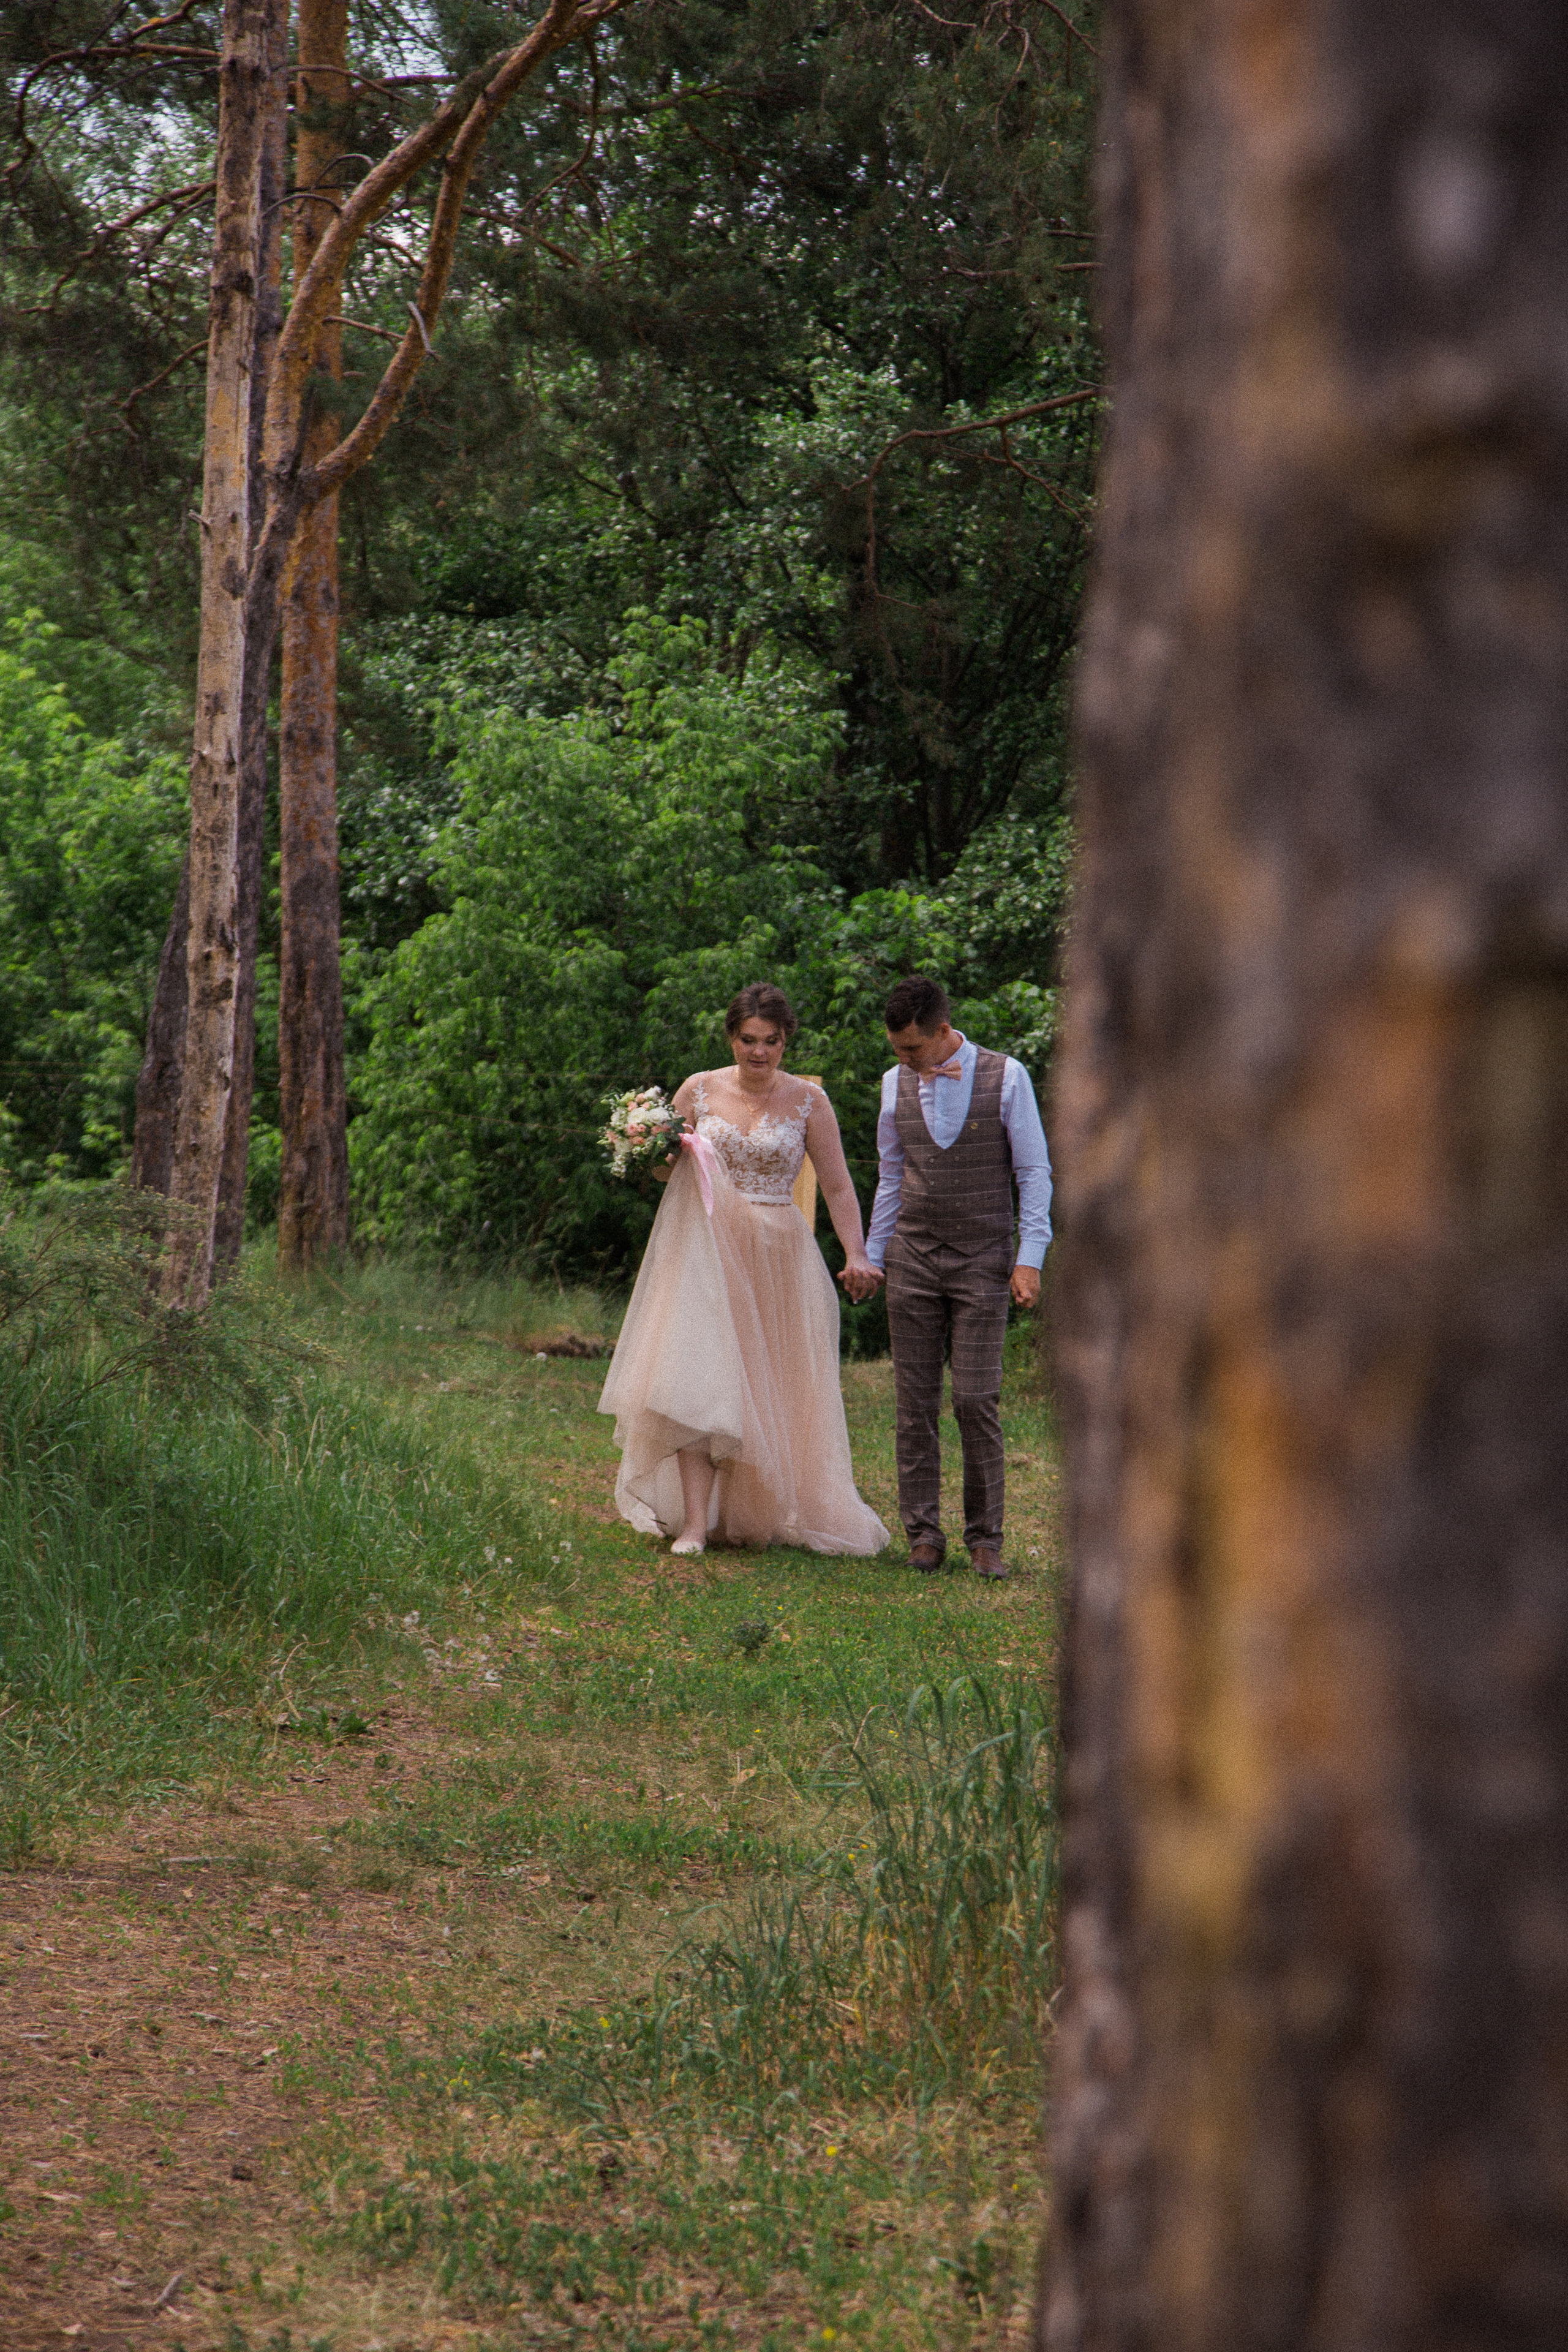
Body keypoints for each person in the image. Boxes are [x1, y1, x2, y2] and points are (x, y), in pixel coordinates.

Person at [598, 983, 889, 1558]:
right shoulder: (699, 1089)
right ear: (732, 1037)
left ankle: (754, 1507)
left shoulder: (809, 1101)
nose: (758, 1053)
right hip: (706, 1248)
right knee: (698, 1378)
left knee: (762, 1382)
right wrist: (646, 1143)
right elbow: (661, 1173)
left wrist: (857, 1253)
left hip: (778, 1252)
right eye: (748, 1040)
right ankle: (695, 1525)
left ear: (786, 1041)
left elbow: (836, 1183)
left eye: (771, 1042)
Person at [861, 974, 1053, 1579]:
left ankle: (985, 1538)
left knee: (975, 1399)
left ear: (943, 1031)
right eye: (896, 1049)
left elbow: (1035, 1173)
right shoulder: (894, 1084)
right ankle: (923, 1534)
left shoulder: (1007, 1077)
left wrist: (1030, 1256)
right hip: (911, 1255)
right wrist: (872, 1254)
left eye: (912, 1048)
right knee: (913, 1404)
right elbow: (890, 1176)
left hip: (983, 1258)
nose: (904, 1060)